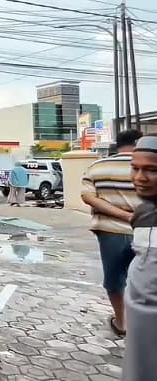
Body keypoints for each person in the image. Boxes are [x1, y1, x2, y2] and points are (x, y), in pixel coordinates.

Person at [81, 129, 143, 336]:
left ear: (118, 144)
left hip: (110, 231)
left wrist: (123, 216)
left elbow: (88, 197)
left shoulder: (97, 167)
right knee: (148, 278)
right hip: (148, 231)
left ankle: (122, 322)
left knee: (115, 278)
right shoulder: (150, 166)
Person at [123, 135, 157, 381]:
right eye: (135, 168)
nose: (139, 178)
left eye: (151, 170)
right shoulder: (146, 211)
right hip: (140, 326)